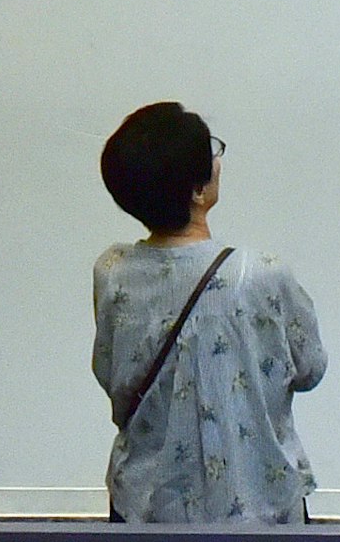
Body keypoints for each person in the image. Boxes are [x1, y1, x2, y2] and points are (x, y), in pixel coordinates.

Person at [93, 101, 326, 523]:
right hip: (260, 498)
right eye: (212, 153)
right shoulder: (261, 274)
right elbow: (310, 368)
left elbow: (109, 371)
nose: (218, 161)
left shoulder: (112, 272)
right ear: (197, 190)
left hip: (146, 504)